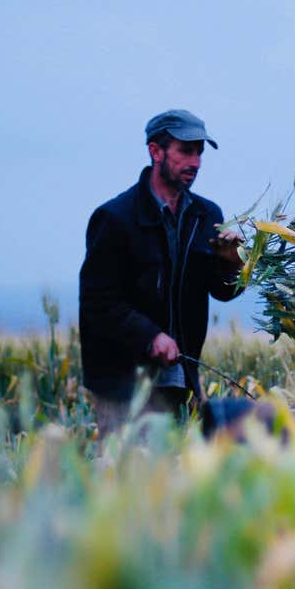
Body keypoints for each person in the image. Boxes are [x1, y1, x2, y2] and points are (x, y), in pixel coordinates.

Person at [78, 109, 245, 434]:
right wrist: (149, 336)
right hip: (123, 384)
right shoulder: (114, 218)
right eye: (185, 151)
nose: (195, 162)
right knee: (127, 476)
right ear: (156, 151)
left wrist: (231, 263)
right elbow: (97, 302)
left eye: (199, 152)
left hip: (181, 378)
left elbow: (223, 291)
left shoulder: (206, 214)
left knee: (176, 478)